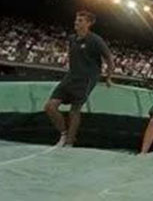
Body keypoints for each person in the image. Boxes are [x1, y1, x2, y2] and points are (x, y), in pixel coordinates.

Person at [43, 10, 114, 147]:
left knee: (75, 110)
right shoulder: (71, 39)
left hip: (86, 79)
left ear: (89, 23)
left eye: (80, 20)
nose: (76, 22)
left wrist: (108, 77)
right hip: (70, 77)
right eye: (76, 19)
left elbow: (109, 59)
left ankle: (69, 142)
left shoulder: (96, 40)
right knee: (50, 107)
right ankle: (63, 134)